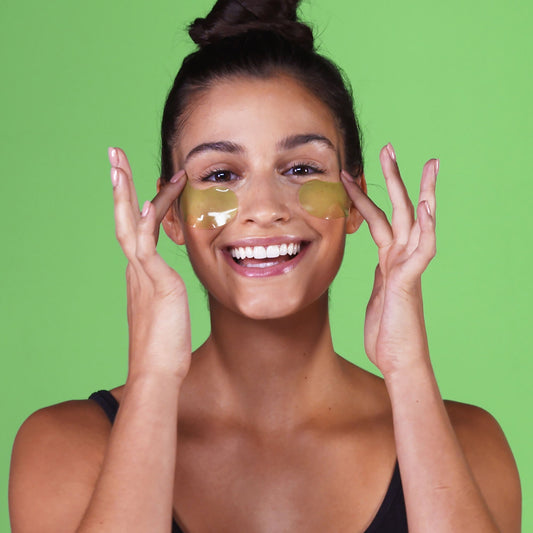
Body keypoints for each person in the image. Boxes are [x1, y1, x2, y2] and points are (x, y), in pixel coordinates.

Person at [8, 0, 521, 531]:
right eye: (220, 175)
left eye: (300, 168)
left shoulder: (472, 445)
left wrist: (409, 372)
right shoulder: (65, 447)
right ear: (171, 213)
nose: (265, 208)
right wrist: (153, 381)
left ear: (354, 200)